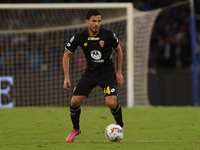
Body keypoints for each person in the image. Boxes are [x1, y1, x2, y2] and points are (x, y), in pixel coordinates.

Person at [63, 9, 124, 142]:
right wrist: (66, 77)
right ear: (87, 22)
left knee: (111, 103)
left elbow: (119, 51)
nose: (97, 24)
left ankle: (120, 126)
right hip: (90, 73)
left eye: (99, 21)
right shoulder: (80, 36)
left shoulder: (108, 35)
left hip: (107, 73)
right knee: (74, 102)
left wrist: (119, 72)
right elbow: (66, 55)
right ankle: (76, 129)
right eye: (94, 21)